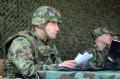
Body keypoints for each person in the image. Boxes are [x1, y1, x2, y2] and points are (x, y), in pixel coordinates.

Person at [4, 6, 77, 78]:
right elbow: (28, 71)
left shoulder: (48, 44)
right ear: (41, 23)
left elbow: (59, 65)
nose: (57, 29)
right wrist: (58, 66)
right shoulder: (21, 41)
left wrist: (70, 65)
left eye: (58, 24)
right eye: (53, 23)